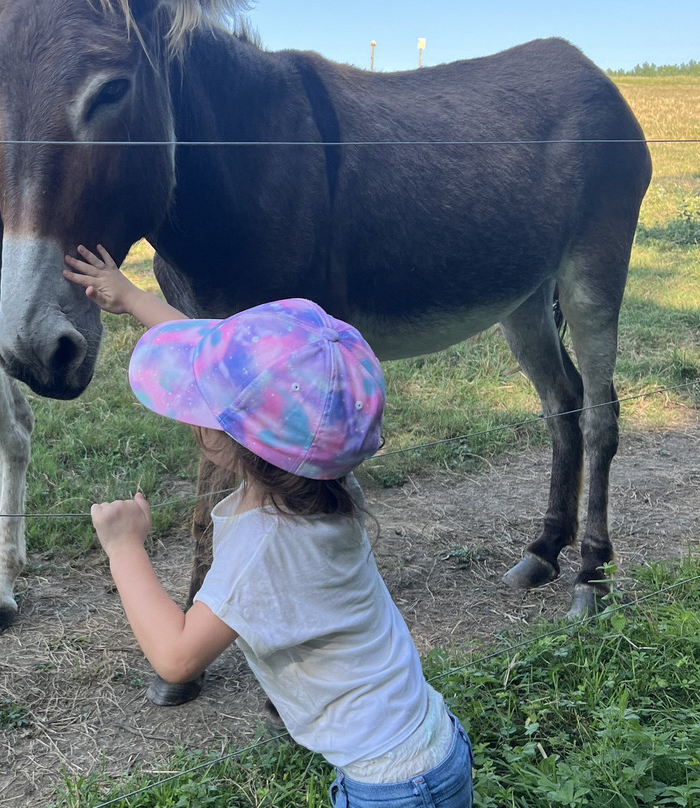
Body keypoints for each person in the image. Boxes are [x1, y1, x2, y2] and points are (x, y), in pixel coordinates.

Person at [62, 244, 475, 808]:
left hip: (393, 788)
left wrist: (123, 545)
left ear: (231, 440)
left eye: (202, 407)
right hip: (430, 745)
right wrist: (133, 298)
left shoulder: (263, 545)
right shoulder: (325, 478)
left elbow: (177, 656)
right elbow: (230, 364)